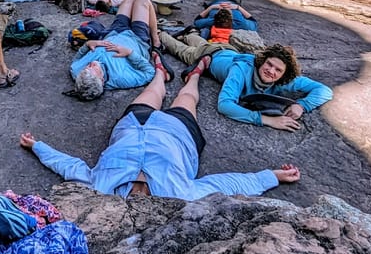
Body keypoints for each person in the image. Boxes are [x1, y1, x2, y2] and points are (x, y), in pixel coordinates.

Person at [20, 61, 301, 200]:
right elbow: (224, 184)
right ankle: (194, 76)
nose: (137, 202)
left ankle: (160, 73)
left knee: (153, 91)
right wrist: (272, 176)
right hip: (178, 133)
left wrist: (37, 146)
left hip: (133, 125)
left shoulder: (100, 187)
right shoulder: (179, 194)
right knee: (187, 98)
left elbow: (70, 167)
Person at [157, 35, 333, 132]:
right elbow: (225, 105)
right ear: (262, 61)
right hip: (210, 56)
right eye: (269, 64)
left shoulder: (287, 81)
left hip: (229, 49)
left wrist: (302, 106)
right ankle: (162, 34)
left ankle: (190, 34)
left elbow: (324, 90)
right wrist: (267, 120)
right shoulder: (241, 70)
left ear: (284, 74)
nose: (271, 71)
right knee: (180, 49)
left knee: (197, 40)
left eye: (277, 70)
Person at [71, 0, 169, 100]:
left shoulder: (77, 71)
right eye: (93, 68)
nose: (91, 64)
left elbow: (77, 59)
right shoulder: (121, 78)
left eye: (87, 67)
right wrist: (130, 53)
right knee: (142, 0)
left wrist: (88, 44)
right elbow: (149, 73)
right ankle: (156, 40)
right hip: (137, 40)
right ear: (102, 80)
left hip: (114, 33)